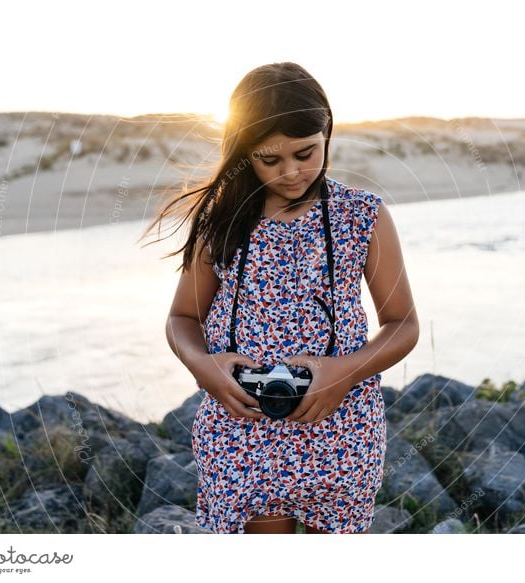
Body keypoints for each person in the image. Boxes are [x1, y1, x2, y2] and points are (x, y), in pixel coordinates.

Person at [140, 62, 419, 534]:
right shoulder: (220, 220)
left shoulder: (361, 216)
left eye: (306, 153)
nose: (292, 172)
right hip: (241, 428)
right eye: (270, 159)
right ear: (245, 152)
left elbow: (403, 324)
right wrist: (202, 365)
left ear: (328, 132)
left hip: (340, 425)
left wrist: (342, 373)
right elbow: (182, 317)